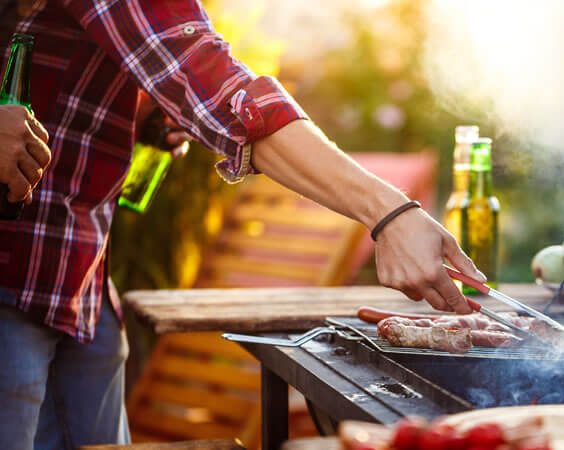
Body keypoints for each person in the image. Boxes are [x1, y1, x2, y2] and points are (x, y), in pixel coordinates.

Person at [0, 1, 484, 448]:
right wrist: (390, 214)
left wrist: (141, 113)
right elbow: (221, 88)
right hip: (14, 275)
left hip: (78, 275)